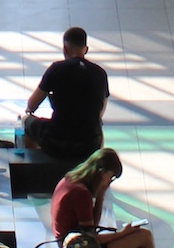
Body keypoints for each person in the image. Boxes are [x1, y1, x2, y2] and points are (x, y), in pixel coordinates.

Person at [20, 27, 110, 167]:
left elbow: (32, 104)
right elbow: (100, 111)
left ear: (65, 49)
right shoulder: (100, 73)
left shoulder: (57, 69)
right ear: (86, 49)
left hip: (57, 141)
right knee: (98, 126)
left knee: (27, 120)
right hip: (90, 144)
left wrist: (28, 112)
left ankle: (34, 168)